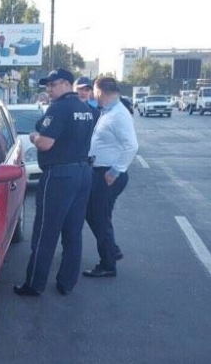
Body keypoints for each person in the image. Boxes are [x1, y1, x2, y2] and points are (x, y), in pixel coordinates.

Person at [14, 68, 97, 297]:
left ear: (66, 84)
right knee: (73, 232)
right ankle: (67, 282)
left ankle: (34, 284)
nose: (49, 89)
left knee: (45, 232)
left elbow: (45, 143)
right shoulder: (85, 108)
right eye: (47, 85)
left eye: (53, 84)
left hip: (60, 176)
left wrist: (33, 137)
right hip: (82, 173)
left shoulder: (60, 107)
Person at [82, 77, 138, 278]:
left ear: (101, 92)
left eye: (94, 92)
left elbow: (131, 146)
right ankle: (111, 249)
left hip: (108, 174)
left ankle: (107, 264)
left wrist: (115, 171)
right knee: (92, 212)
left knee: (100, 217)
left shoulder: (119, 115)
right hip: (100, 171)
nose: (92, 96)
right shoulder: (110, 112)